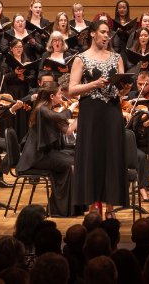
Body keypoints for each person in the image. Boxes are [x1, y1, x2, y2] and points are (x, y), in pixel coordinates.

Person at [68, 20, 130, 216]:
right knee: (92, 156)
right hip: (91, 113)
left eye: (108, 33)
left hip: (112, 111)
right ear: (93, 34)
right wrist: (94, 84)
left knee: (112, 155)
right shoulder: (81, 59)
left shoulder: (116, 57)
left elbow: (120, 87)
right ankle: (93, 206)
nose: (106, 36)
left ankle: (111, 206)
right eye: (103, 32)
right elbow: (71, 89)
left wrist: (126, 87)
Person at [17, 82, 76, 217]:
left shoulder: (48, 110)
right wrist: (71, 108)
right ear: (51, 96)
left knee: (72, 161)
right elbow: (61, 117)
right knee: (68, 164)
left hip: (44, 154)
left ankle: (65, 208)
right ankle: (60, 209)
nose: (61, 96)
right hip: (35, 158)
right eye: (59, 94)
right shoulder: (41, 109)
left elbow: (66, 129)